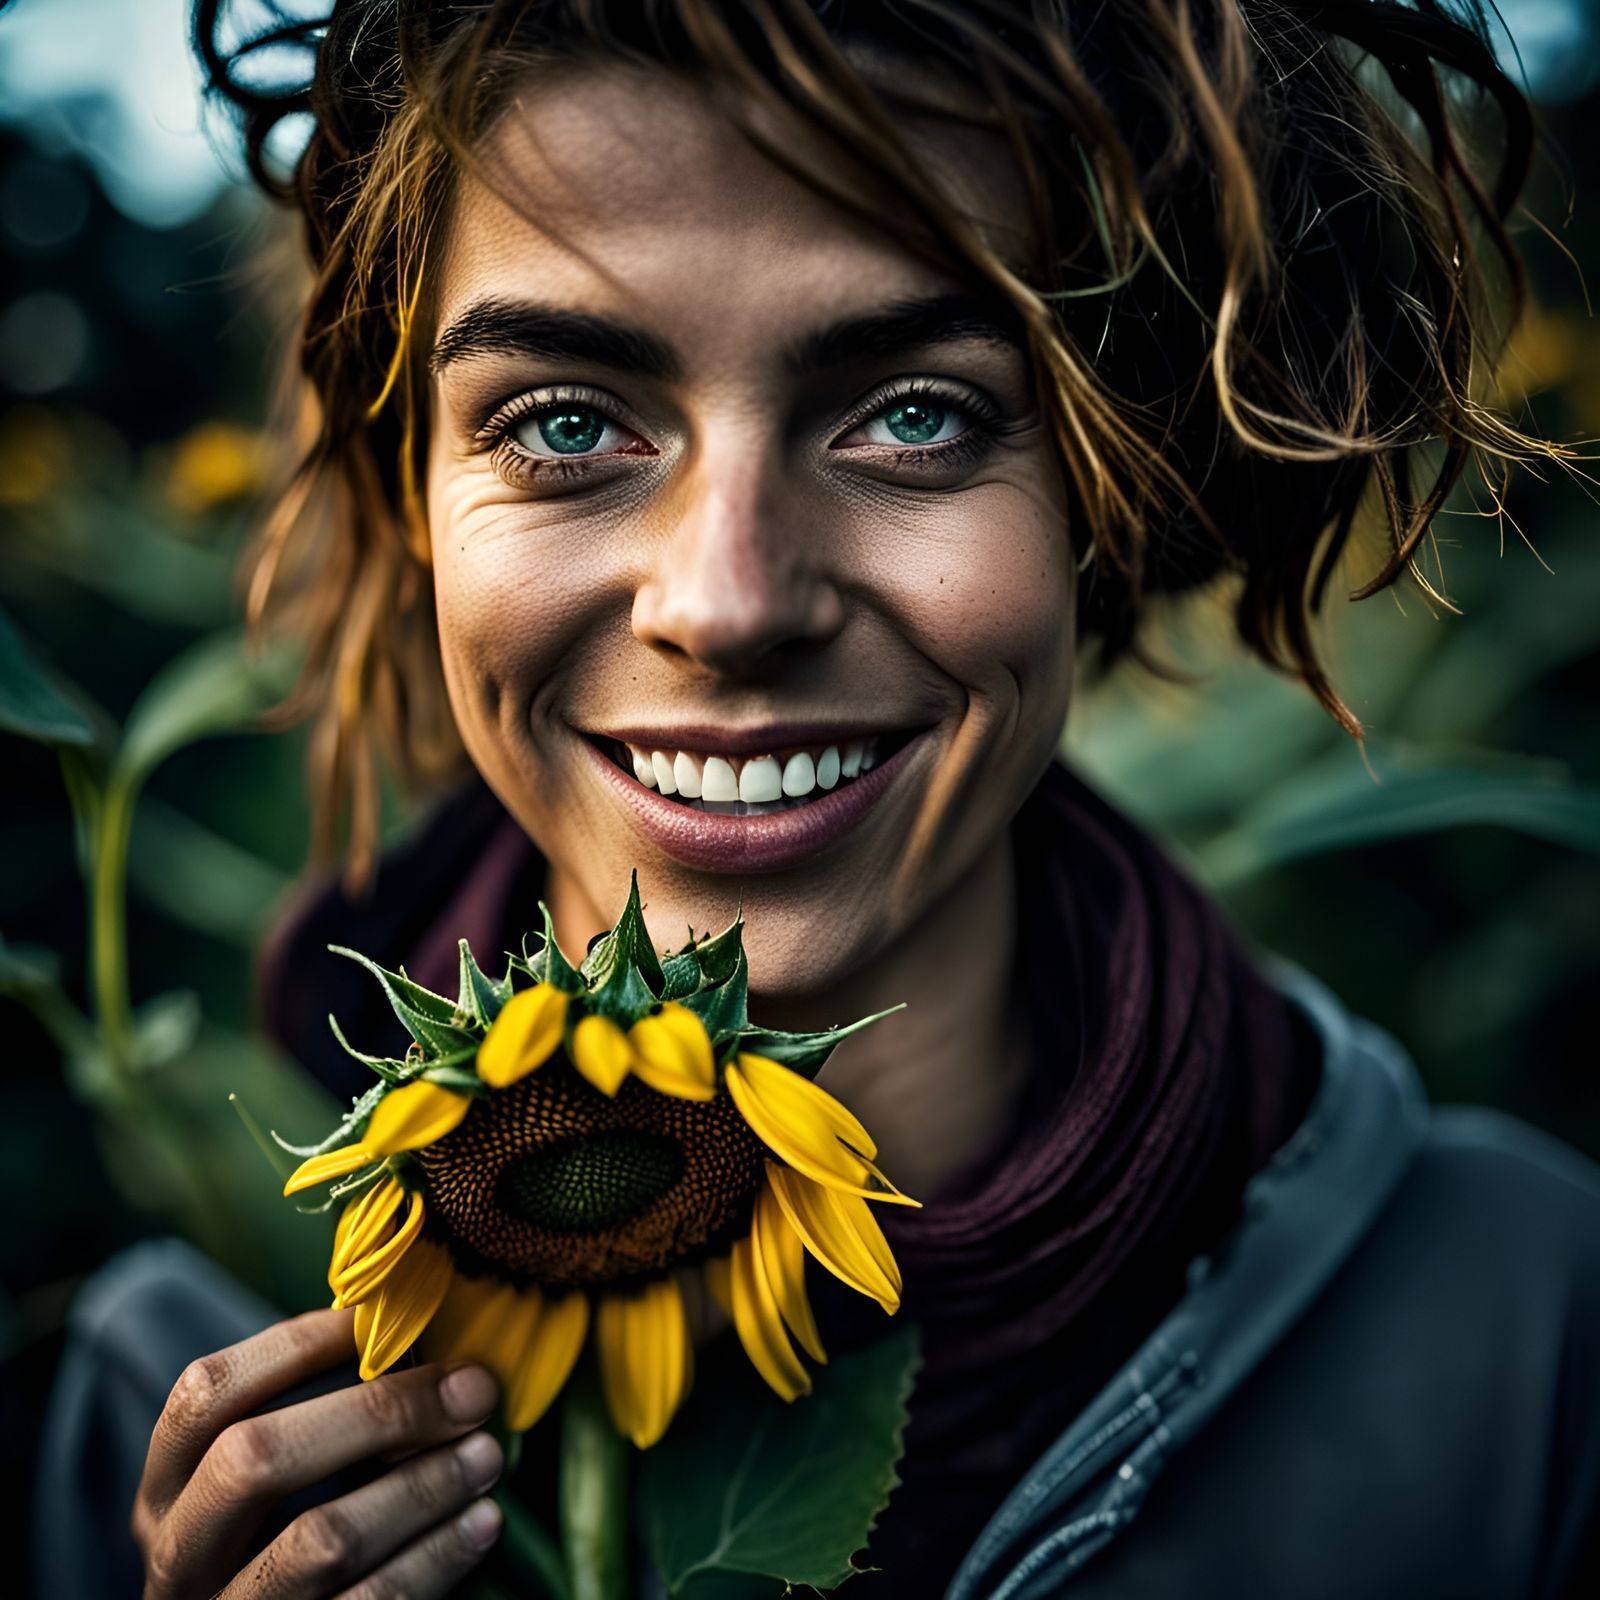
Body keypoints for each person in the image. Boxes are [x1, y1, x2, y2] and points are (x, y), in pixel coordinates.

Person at [34, 1, 1600, 1595]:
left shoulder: (1520, 1339)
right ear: (414, 494)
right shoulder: (190, 1392)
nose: (725, 603)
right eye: (565, 422)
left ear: (1116, 484)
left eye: (915, 412)